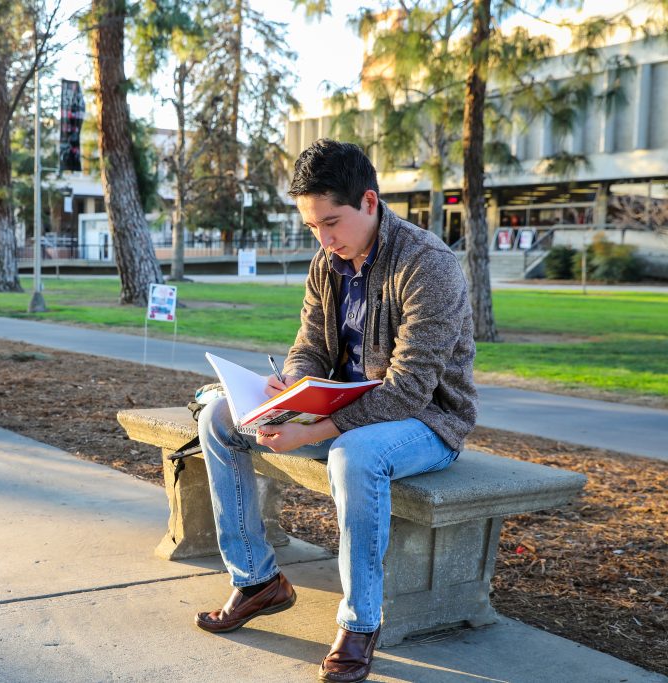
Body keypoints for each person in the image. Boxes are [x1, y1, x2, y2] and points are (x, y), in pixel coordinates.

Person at [192, 139, 477, 683]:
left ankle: (361, 620)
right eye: (312, 228)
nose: (323, 240)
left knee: (352, 454)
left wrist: (315, 429)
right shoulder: (329, 261)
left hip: (427, 422)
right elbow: (309, 346)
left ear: (369, 202)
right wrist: (292, 389)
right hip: (340, 406)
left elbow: (409, 389)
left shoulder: (428, 265)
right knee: (220, 419)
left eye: (332, 223)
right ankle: (257, 580)